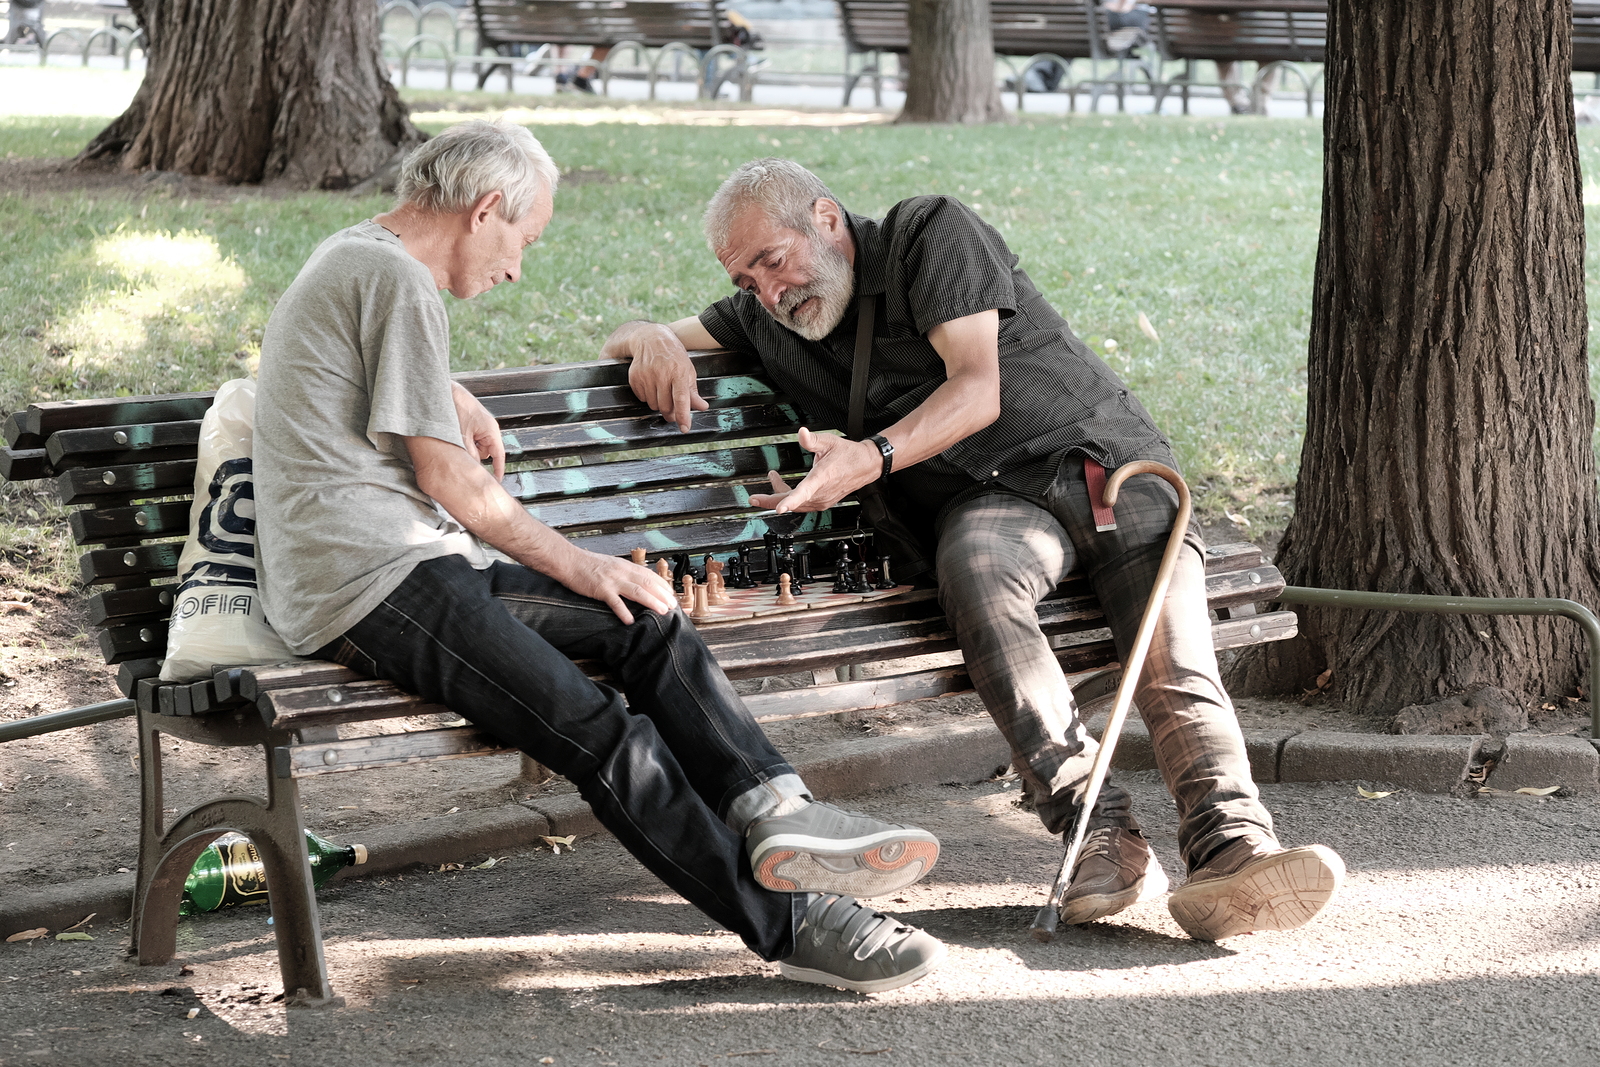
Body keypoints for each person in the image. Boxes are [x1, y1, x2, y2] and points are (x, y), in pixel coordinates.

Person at [251, 122, 945, 994]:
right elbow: (454, 485)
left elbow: (342, 374)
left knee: (647, 618)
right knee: (600, 732)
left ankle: (779, 815)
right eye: (524, 240)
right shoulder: (392, 277)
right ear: (487, 208)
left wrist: (446, 389)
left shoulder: (364, 256)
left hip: (408, 565)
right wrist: (583, 563)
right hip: (368, 584)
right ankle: (793, 924)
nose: (515, 268)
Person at [603, 158, 1346, 942]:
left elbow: (975, 386)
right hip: (991, 507)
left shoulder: (927, 232)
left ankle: (1231, 845)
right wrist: (649, 337)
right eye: (746, 279)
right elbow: (627, 335)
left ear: (826, 219)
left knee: (1168, 653)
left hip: (1095, 463)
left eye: (773, 261)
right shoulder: (766, 321)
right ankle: (1099, 832)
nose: (769, 291)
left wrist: (867, 457)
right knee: (976, 570)